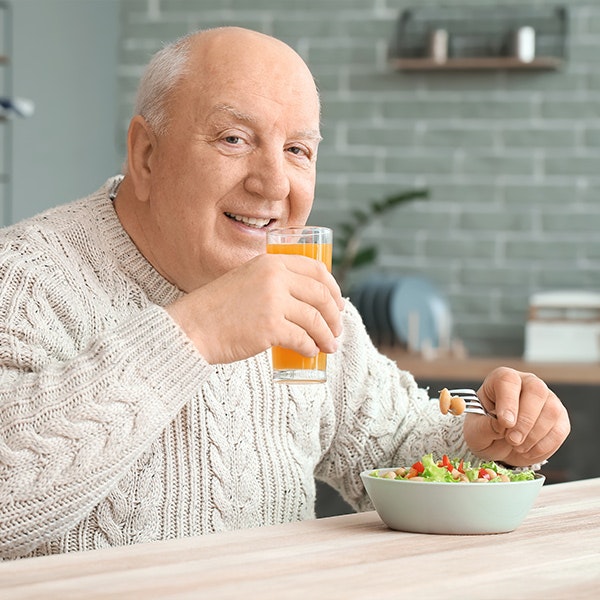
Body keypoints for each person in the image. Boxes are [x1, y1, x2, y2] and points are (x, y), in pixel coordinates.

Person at [0, 27, 570, 561]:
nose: (273, 183)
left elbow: (395, 446)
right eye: (233, 139)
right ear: (146, 154)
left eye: (298, 150)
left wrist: (486, 437)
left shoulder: (301, 285)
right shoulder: (24, 278)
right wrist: (194, 333)